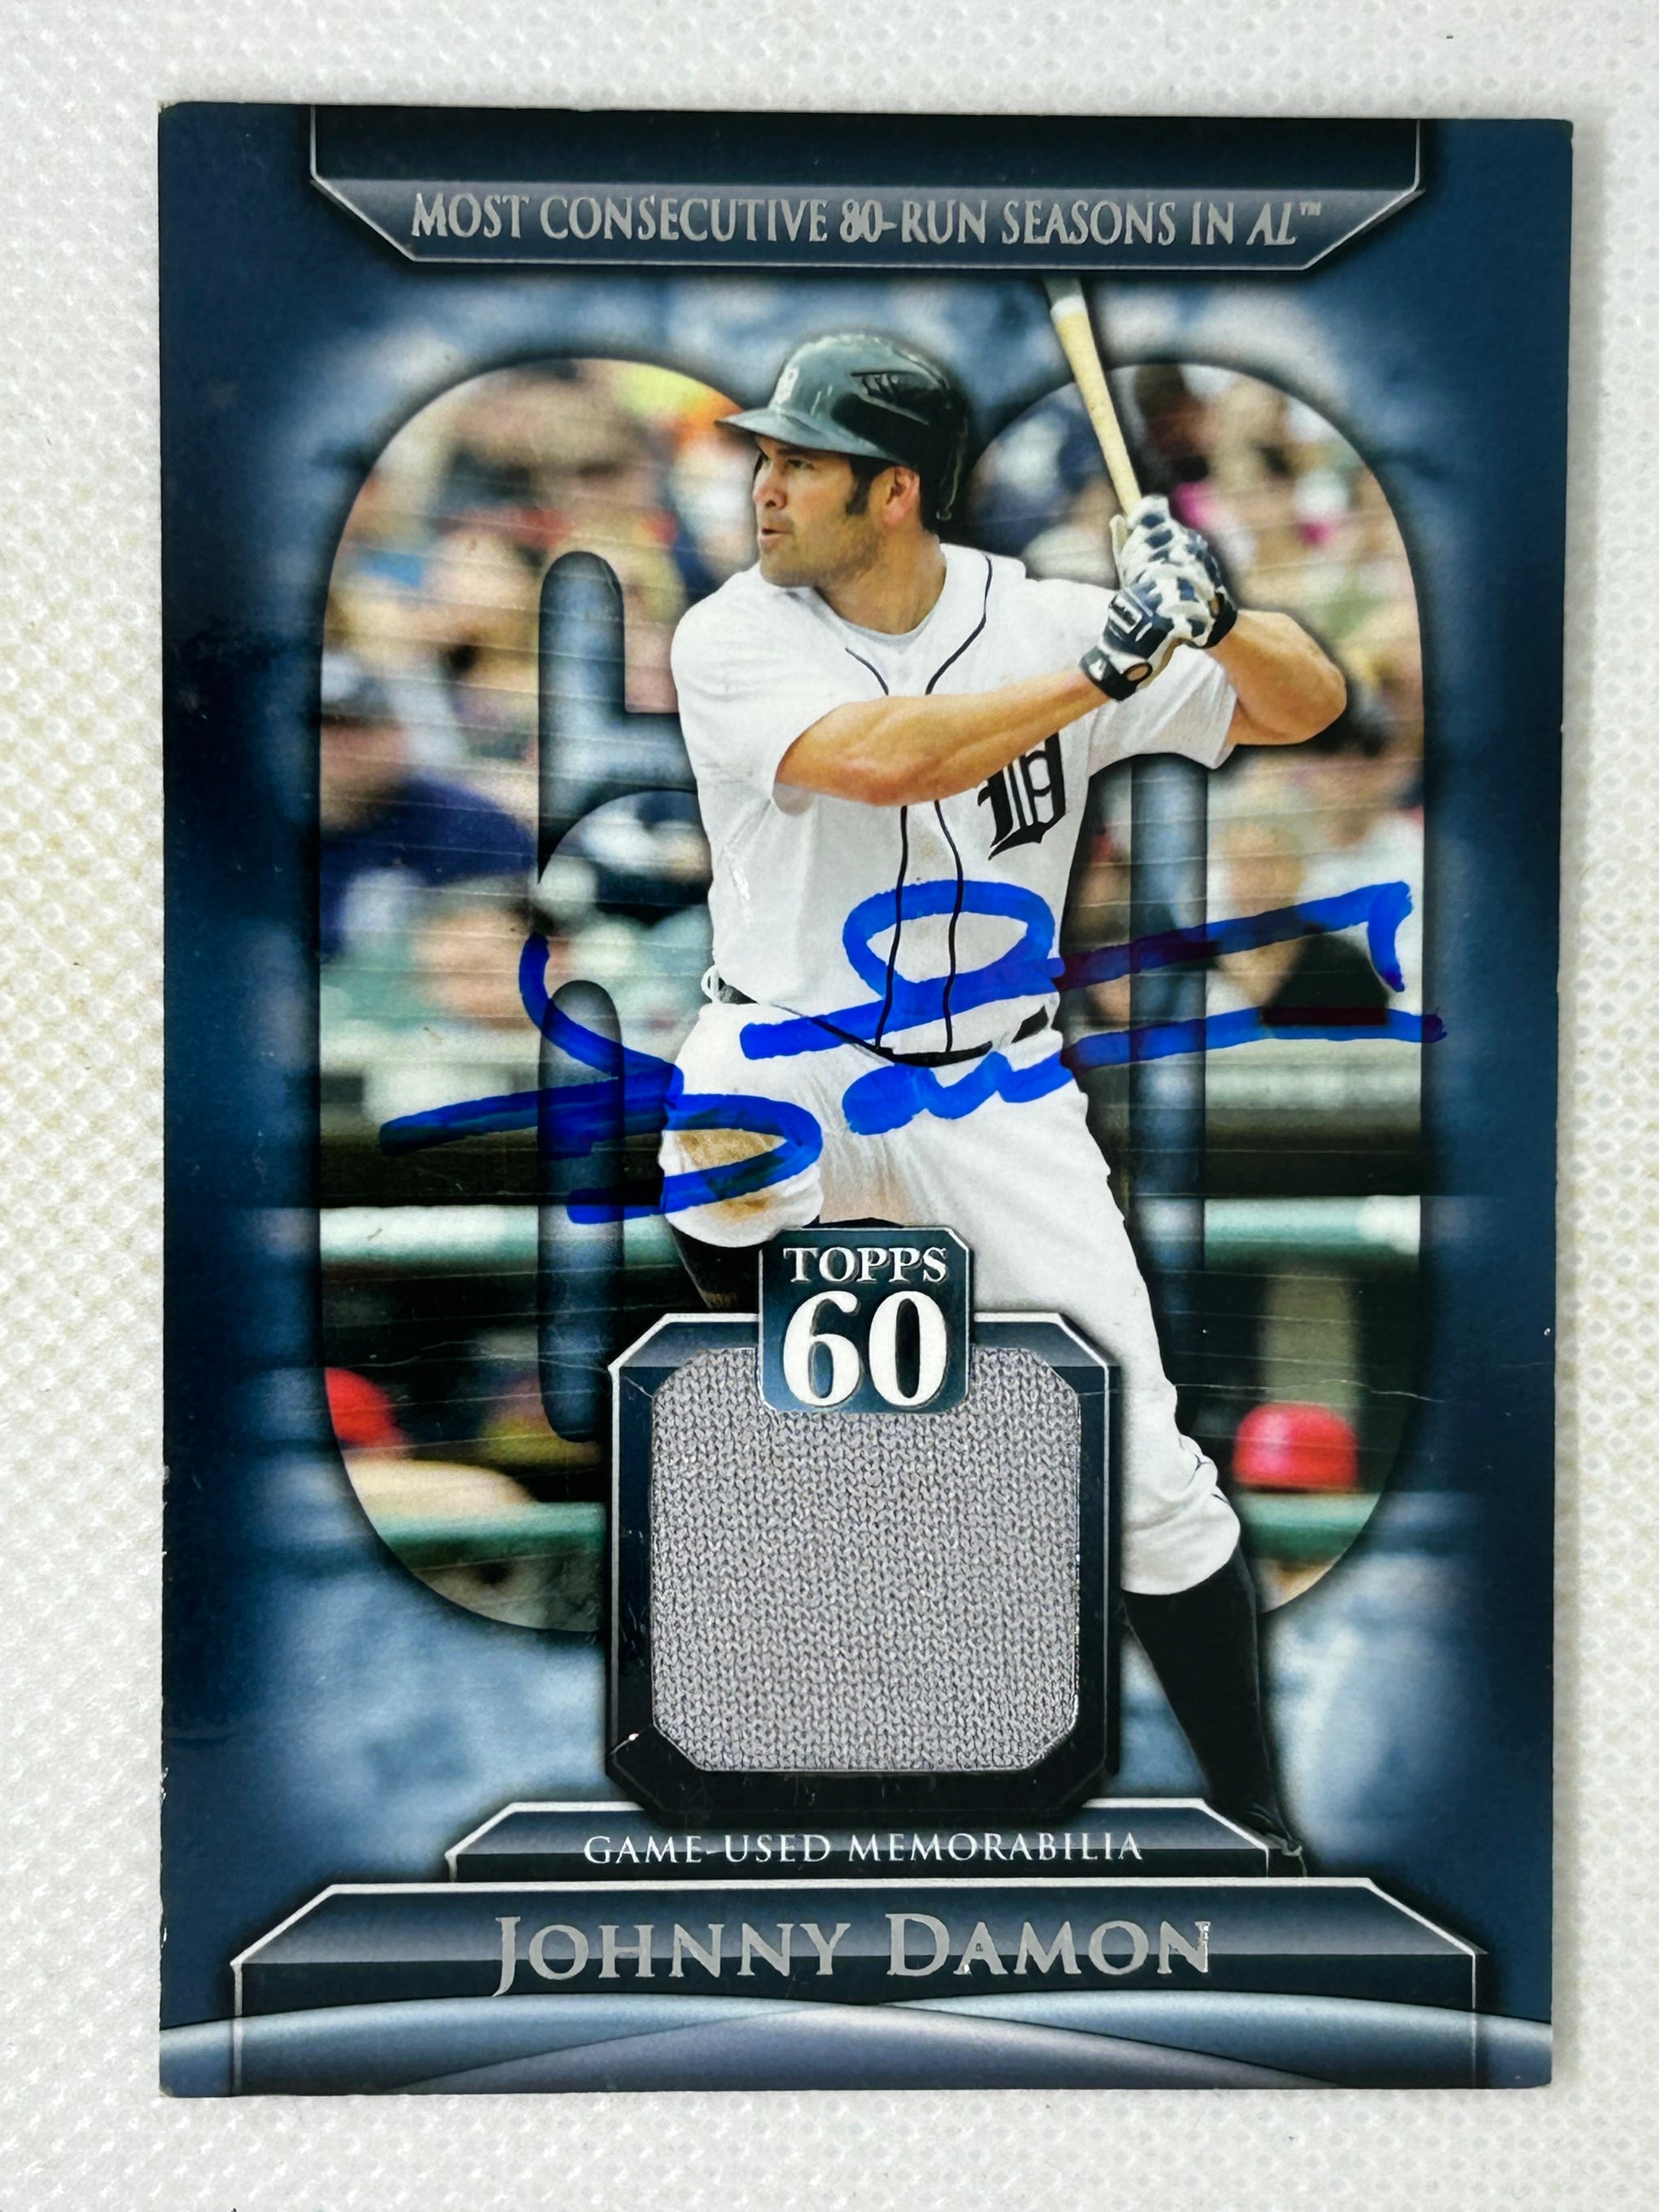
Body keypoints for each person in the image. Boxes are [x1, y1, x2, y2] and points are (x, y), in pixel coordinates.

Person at [657, 332, 1346, 1863]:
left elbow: (1306, 704)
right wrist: (1103, 670)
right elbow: (882, 762)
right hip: (795, 1043)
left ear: (894, 490)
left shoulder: (1041, 615)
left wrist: (1220, 616)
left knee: (1151, 1480)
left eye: (801, 462)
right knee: (721, 1140)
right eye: (766, 457)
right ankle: (810, 1399)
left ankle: (1259, 1822)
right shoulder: (731, 632)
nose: (765, 485)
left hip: (996, 1083)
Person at [317, 652, 535, 962]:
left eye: (359, 727)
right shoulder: (265, 832)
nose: (341, 746)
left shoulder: (470, 824)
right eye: (325, 729)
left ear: (398, 732)